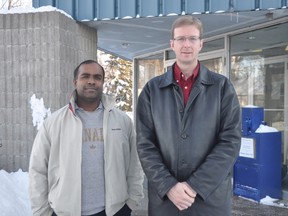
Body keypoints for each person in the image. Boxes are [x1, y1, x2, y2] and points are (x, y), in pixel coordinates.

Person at [136, 16, 241, 216]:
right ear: (172, 44)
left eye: (192, 39)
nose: (187, 44)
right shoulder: (152, 90)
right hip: (166, 201)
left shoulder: (222, 87)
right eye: (181, 39)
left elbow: (230, 141)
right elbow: (145, 144)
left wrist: (195, 186)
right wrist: (169, 186)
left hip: (209, 200)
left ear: (201, 44)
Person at [29, 60, 144, 216]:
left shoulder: (122, 121)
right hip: (65, 211)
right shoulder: (53, 123)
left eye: (97, 77)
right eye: (85, 76)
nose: (91, 81)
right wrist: (42, 212)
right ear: (75, 81)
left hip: (114, 211)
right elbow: (38, 170)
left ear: (103, 82)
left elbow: (134, 164)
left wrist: (131, 202)